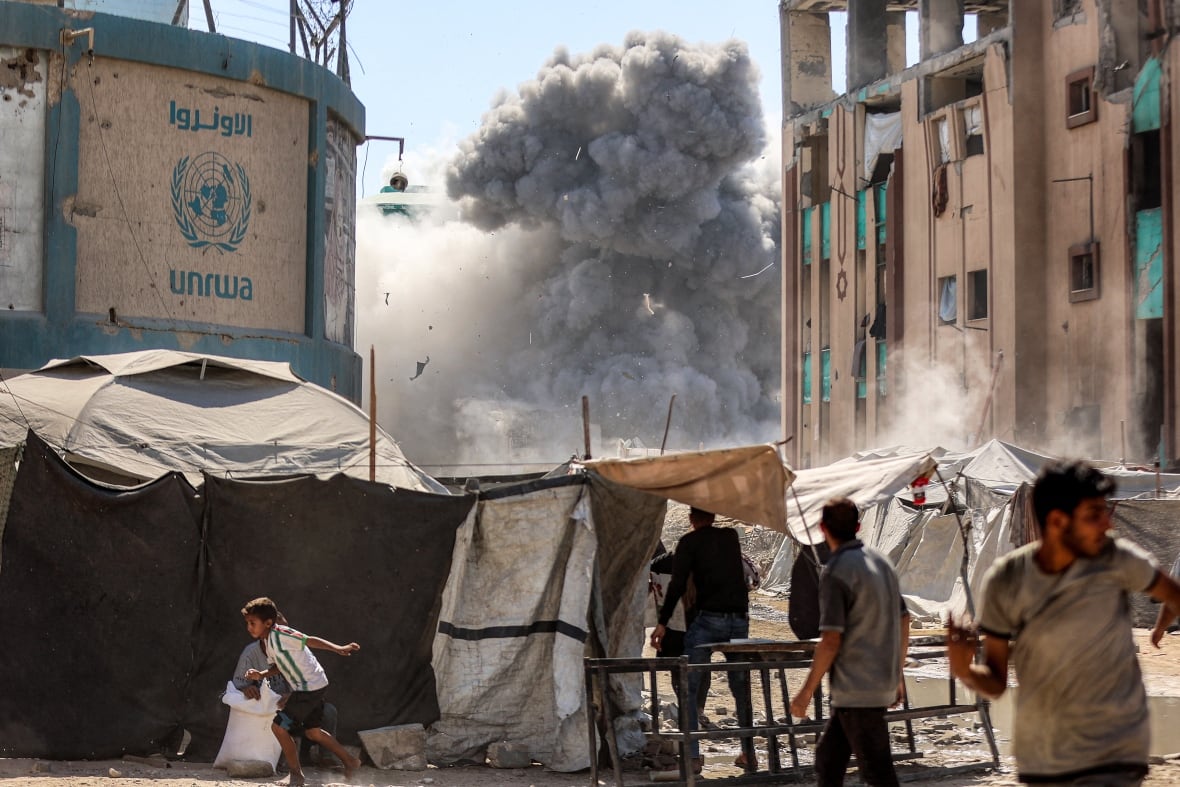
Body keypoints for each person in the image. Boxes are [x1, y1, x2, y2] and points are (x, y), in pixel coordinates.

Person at [948, 460, 1180, 786]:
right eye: (1094, 515)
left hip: (1116, 751)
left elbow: (1174, 593)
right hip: (1045, 758)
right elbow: (996, 683)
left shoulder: (1115, 558)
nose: (1107, 524)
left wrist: (1162, 623)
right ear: (1057, 520)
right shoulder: (1006, 579)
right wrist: (964, 670)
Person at [788, 497, 909, 787]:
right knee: (828, 761)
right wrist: (897, 675)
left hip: (857, 689)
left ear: (822, 529)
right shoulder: (882, 562)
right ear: (858, 526)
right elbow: (904, 620)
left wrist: (805, 692)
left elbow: (831, 640)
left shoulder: (836, 570)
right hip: (873, 684)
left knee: (878, 772)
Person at [650, 508, 754, 774]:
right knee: (740, 687)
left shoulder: (688, 542)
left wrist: (662, 623)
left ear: (690, 519)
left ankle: (693, 757)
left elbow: (677, 585)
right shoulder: (730, 537)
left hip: (708, 620)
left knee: (689, 686)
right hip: (739, 621)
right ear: (713, 516)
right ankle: (748, 753)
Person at [240, 597, 362, 787]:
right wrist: (261, 674)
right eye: (247, 623)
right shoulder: (268, 642)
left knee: (278, 728)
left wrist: (338, 648)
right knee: (313, 732)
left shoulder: (281, 634)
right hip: (312, 685)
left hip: (309, 687)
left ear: (268, 623)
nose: (249, 627)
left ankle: (296, 774)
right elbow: (279, 666)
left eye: (252, 623)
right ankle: (350, 761)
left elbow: (309, 640)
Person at [232, 639, 339, 768]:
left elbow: (314, 686)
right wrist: (247, 689)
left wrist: (295, 696)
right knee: (279, 724)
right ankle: (283, 761)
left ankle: (325, 757)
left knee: (328, 711)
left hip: (298, 706)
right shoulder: (251, 653)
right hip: (267, 712)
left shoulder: (296, 651)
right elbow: (237, 685)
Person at [648, 547, 711, 713]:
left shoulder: (661, 562)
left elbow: (649, 576)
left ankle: (686, 707)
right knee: (702, 668)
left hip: (672, 627)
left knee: (677, 668)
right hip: (697, 626)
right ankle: (697, 710)